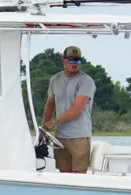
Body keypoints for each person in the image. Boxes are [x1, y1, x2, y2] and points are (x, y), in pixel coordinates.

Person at [41, 45, 97, 174]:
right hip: (60, 137)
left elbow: (76, 109)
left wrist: (54, 122)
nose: (75, 64)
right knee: (63, 175)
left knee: (79, 177)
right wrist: (43, 129)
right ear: (63, 60)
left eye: (78, 60)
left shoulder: (86, 81)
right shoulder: (55, 79)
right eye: (72, 60)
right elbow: (50, 105)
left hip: (79, 136)